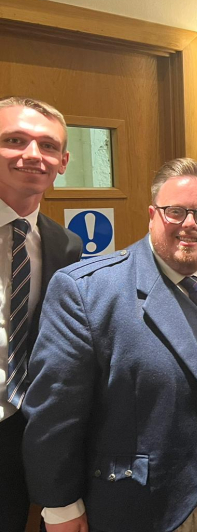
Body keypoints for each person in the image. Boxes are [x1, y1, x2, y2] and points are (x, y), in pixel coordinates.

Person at [22, 158, 197, 532]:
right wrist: (60, 508)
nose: (189, 224)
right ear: (152, 215)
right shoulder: (87, 291)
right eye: (175, 211)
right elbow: (54, 414)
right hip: (131, 507)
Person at [0, 96, 82, 531]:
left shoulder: (66, 247)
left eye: (47, 146)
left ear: (63, 161)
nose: (33, 155)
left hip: (19, 432)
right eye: (14, 140)